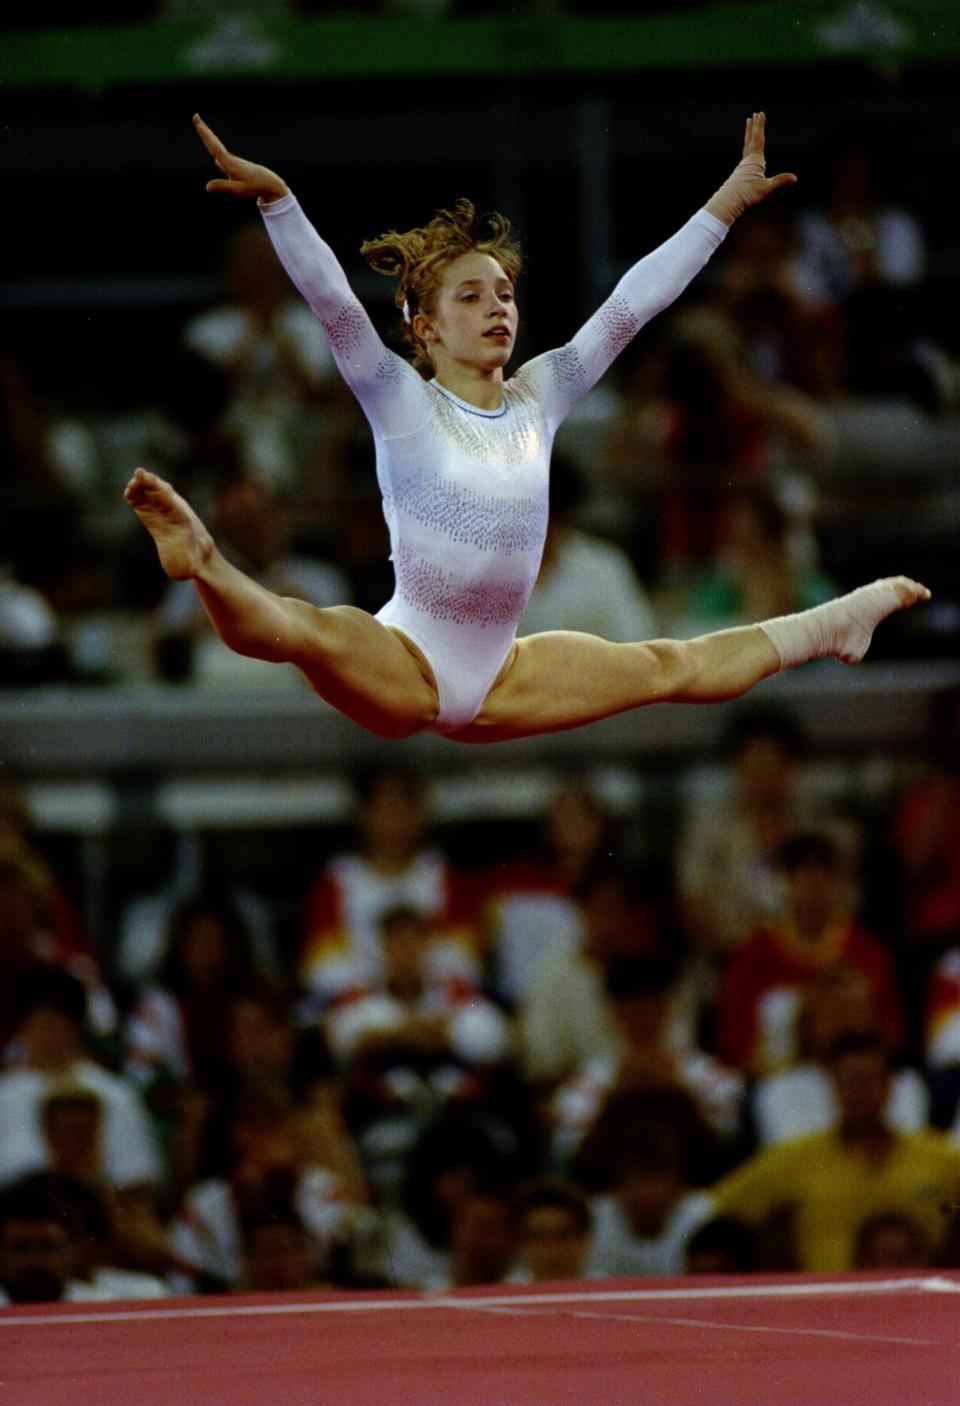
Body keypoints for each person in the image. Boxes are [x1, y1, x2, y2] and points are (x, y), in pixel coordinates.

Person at [125, 113, 929, 744]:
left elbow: (633, 305)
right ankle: (204, 565)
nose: (497, 308)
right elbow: (336, 308)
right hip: (406, 663)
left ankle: (834, 622)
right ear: (426, 330)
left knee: (668, 664)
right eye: (470, 298)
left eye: (504, 293)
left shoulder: (540, 395)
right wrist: (281, 205)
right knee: (310, 629)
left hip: (506, 676)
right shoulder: (403, 401)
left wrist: (725, 204)